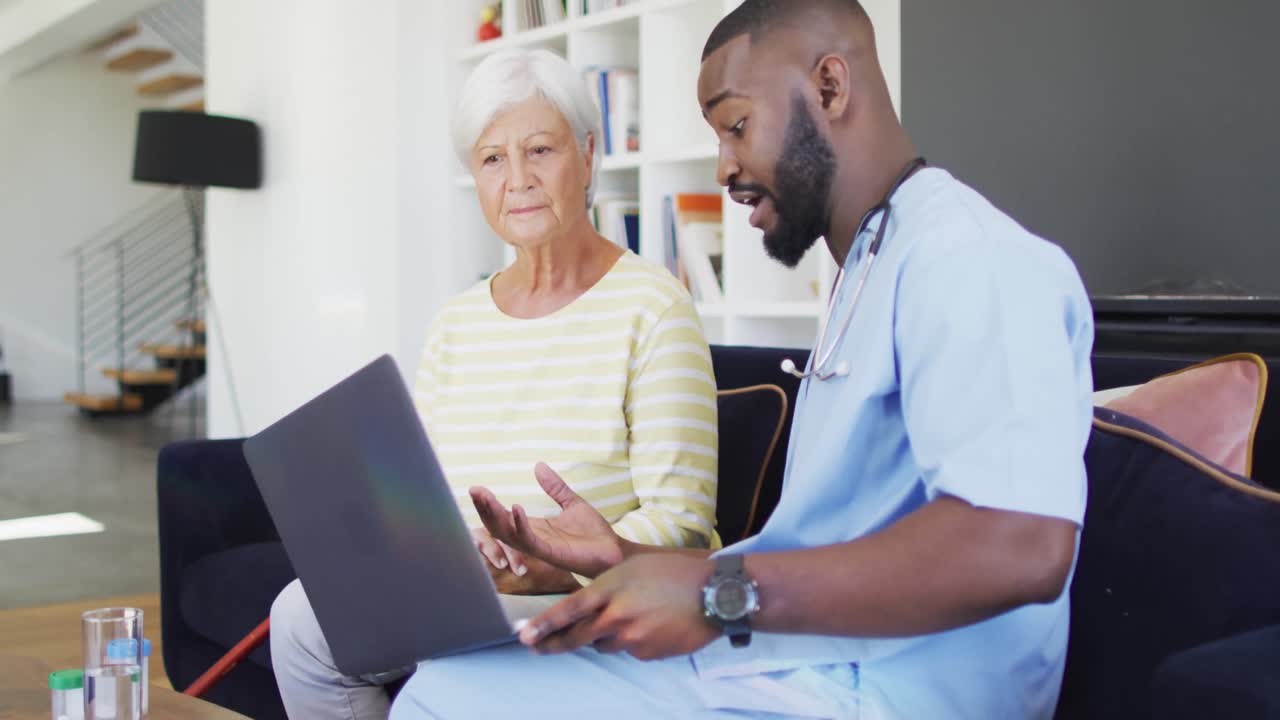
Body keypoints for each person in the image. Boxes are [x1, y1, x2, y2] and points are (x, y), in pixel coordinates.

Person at [389, 1, 1095, 718]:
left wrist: (720, 595)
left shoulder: (970, 260)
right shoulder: (870, 271)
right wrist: (623, 561)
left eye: (735, 126)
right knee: (449, 685)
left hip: (886, 694)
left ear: (829, 87)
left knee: (445, 704)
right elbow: (823, 548)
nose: (725, 166)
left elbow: (1022, 543)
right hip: (798, 663)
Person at [269, 48, 720, 720]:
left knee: (334, 629)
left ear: (588, 154)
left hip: (583, 593)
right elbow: (425, 491)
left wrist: (559, 564)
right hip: (461, 585)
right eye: (491, 159)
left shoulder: (655, 307)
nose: (518, 180)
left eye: (540, 150)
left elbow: (682, 529)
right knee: (300, 613)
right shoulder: (457, 321)